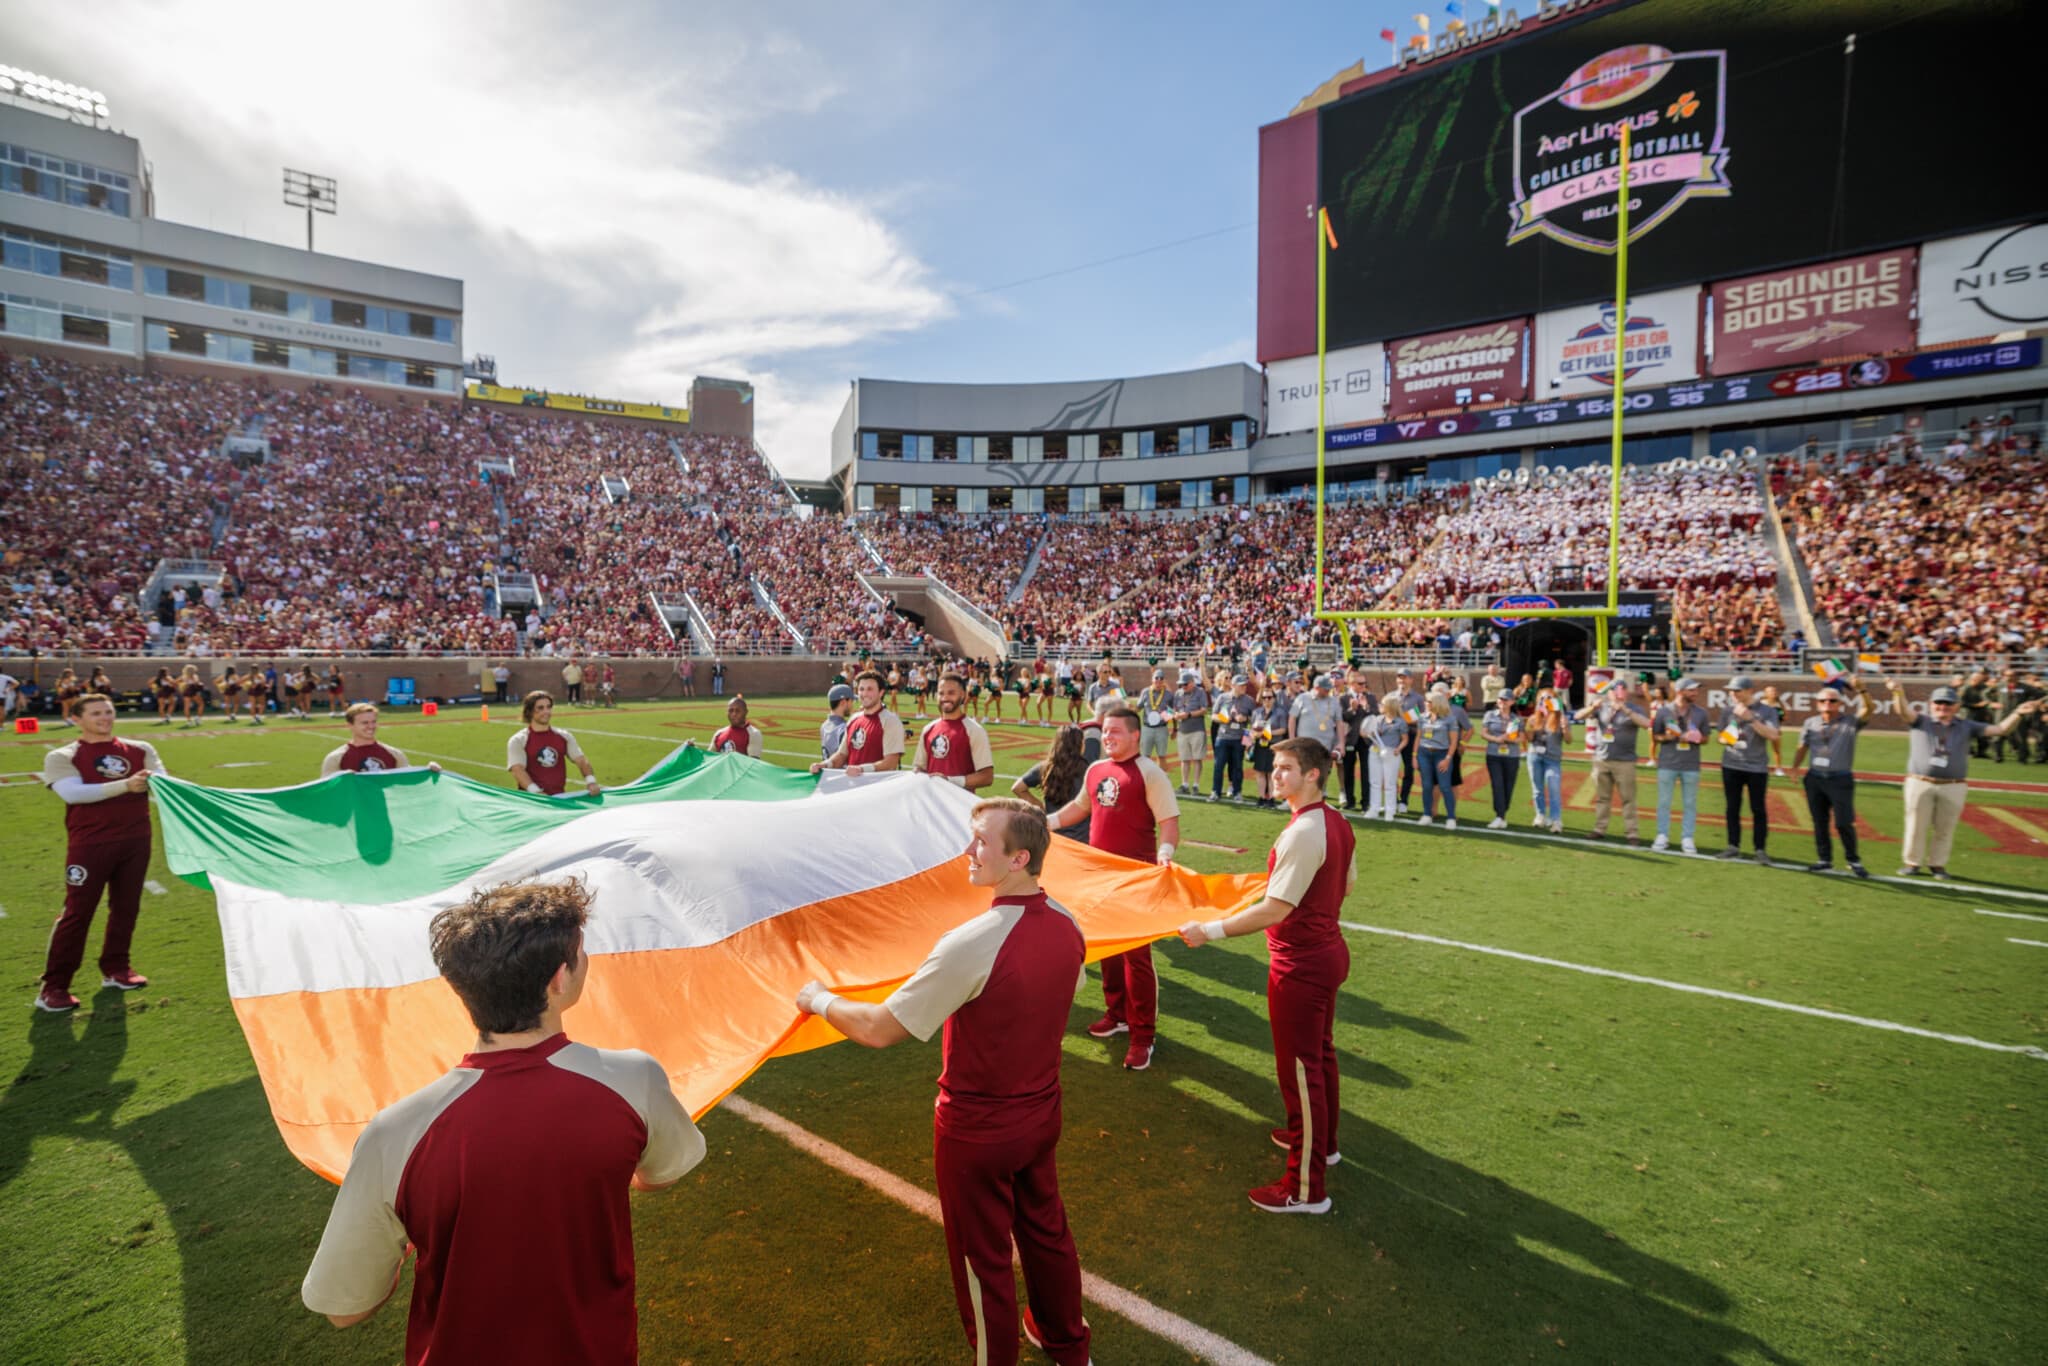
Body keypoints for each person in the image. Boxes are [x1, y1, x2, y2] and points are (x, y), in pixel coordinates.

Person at [302, 879, 704, 1362]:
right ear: (560, 979)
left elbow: (344, 1308)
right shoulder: (634, 1080)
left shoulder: (393, 1132)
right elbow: (659, 1174)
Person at [793, 801, 1092, 1366]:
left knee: (984, 1260)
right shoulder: (1069, 924)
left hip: (978, 1128)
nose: (969, 851)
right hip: (1041, 1111)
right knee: (1046, 1231)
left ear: (1019, 858)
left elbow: (881, 1030)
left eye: (982, 841)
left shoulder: (973, 939)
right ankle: (1068, 1344)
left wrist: (819, 999)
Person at [1177, 737, 1355, 1215]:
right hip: (1326, 952)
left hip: (1302, 964)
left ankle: (1306, 1189)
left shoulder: (1304, 831)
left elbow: (1274, 910)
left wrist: (1208, 931)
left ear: (1313, 775)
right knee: (1318, 1058)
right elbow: (1347, 882)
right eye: (1275, 767)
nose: (1275, 774)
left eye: (1285, 768)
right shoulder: (1335, 821)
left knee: (1300, 1072)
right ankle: (1324, 1145)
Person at [1045, 707, 1180, 1071]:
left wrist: (1165, 853)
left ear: (1136, 735)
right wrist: (1046, 823)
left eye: (1116, 731)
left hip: (1135, 879)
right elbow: (1079, 808)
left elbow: (1169, 823)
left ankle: (1143, 1035)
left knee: (1137, 957)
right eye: (1105, 731)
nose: (1108, 737)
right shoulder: (1095, 770)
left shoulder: (1150, 774)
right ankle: (1116, 1014)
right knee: (1105, 945)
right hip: (1099, 875)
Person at [34, 693, 169, 1012]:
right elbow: (73, 793)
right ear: (76, 718)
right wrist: (126, 785)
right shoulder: (62, 755)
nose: (105, 717)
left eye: (108, 712)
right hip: (90, 844)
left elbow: (165, 782)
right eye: (96, 713)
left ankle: (116, 969)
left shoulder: (141, 749)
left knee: (126, 907)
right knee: (77, 913)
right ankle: (53, 986)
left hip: (136, 839)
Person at [1890, 682, 2040, 879]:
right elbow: (1902, 711)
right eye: (1939, 703)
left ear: (1957, 706)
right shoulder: (1921, 721)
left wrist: (2018, 713)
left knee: (1946, 827)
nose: (1943, 707)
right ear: (1930, 704)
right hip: (1920, 782)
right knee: (1915, 825)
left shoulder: (1966, 726)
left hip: (1953, 785)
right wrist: (1897, 692)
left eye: (1948, 704)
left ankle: (1938, 865)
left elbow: (2000, 729)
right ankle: (1912, 863)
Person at [1794, 680, 1872, 877]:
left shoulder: (1850, 722)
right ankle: (1824, 859)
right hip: (1815, 778)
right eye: (1823, 700)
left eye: (1832, 700)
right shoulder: (1810, 723)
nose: (1827, 703)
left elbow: (1869, 709)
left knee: (1843, 822)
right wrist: (1795, 767)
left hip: (1840, 779)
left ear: (1840, 704)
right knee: (1819, 821)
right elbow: (1802, 746)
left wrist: (1862, 691)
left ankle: (1853, 860)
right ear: (1817, 704)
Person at [1715, 675, 1781, 865]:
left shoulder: (1767, 711)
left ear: (1749, 691)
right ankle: (1732, 846)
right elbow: (1720, 736)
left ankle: (1760, 849)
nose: (1733, 694)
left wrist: (1750, 719)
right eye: (1731, 691)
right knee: (1732, 807)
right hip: (1731, 764)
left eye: (1737, 690)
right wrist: (1726, 738)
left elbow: (1773, 735)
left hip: (1756, 767)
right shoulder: (1728, 710)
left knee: (1758, 809)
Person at [1579, 678, 1652, 845]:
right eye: (1612, 690)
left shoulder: (1634, 708)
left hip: (1625, 761)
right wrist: (1593, 707)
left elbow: (1647, 724)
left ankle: (1632, 833)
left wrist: (1625, 710)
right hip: (1601, 759)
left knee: (1628, 798)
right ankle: (1599, 829)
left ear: (1626, 691)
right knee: (1602, 797)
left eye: (1620, 689)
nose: (1616, 693)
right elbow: (1578, 715)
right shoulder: (1602, 706)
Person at [1651, 678, 1711, 854]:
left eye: (1696, 690)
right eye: (1691, 690)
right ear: (1680, 691)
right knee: (1663, 802)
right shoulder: (1663, 711)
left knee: (1690, 803)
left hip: (1691, 764)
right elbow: (1655, 736)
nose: (1695, 693)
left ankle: (1687, 837)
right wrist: (1668, 737)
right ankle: (1662, 835)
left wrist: (1699, 737)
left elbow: (1706, 738)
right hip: (1667, 763)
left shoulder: (1701, 713)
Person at [812, 670, 906, 776]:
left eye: (870, 689)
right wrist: (824, 765)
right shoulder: (853, 719)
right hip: (854, 788)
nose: (864, 693)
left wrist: (861, 769)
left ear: (881, 692)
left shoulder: (890, 721)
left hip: (878, 789)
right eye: (861, 689)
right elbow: (842, 755)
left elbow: (890, 764)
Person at [507, 691, 600, 797]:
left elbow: (581, 760)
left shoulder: (564, 736)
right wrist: (536, 792)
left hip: (558, 799)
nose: (546, 711)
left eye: (548, 707)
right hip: (531, 801)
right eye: (540, 708)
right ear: (529, 711)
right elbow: (517, 770)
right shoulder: (518, 740)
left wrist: (591, 781)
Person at [915, 673, 996, 790]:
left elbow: (987, 777)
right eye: (941, 693)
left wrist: (949, 781)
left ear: (963, 695)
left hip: (960, 806)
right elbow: (919, 768)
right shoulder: (928, 729)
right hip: (931, 804)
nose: (945, 698)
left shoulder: (974, 730)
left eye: (951, 693)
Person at [1014, 725, 1093, 843]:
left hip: (1053, 834)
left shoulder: (1046, 767)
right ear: (1080, 744)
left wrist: (1039, 806)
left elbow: (1018, 787)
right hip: (1081, 838)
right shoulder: (1088, 770)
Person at [321, 703, 440, 775]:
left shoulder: (394, 754)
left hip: (387, 813)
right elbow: (324, 791)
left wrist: (428, 770)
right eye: (365, 723)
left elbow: (408, 778)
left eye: (373, 722)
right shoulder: (336, 758)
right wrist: (340, 779)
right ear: (350, 725)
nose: (371, 726)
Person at [1290, 675, 1343, 796]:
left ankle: (1317, 798)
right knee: (1302, 771)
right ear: (1317, 688)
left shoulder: (1333, 701)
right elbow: (1292, 718)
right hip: (1305, 745)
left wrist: (1341, 743)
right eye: (1326, 689)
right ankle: (1295, 797)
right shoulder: (1302, 698)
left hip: (1325, 745)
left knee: (1321, 772)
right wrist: (1292, 739)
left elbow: (1339, 723)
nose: (1328, 691)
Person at [1414, 694, 1461, 829]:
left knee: (1445, 786)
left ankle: (1451, 817)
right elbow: (1418, 737)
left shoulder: (1450, 719)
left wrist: (1447, 759)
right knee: (1427, 785)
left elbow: (1453, 742)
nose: (1426, 703)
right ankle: (1427, 814)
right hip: (1424, 753)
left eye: (1428, 701)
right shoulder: (1422, 717)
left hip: (1442, 753)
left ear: (1437, 703)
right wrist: (1414, 755)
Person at [1527, 688, 1567, 834]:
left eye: (1549, 697)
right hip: (1535, 756)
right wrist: (1529, 728)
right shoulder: (1535, 717)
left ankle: (1556, 820)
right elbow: (1530, 739)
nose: (1545, 700)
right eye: (1542, 698)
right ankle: (1540, 815)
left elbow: (1568, 740)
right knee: (1537, 789)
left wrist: (1565, 728)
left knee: (1554, 788)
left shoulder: (1560, 717)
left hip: (1553, 758)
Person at [1480, 692, 1522, 830]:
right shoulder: (1490, 715)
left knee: (1508, 787)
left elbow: (1521, 738)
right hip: (1493, 755)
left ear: (1511, 702)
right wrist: (1496, 740)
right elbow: (1483, 733)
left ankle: (1502, 814)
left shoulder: (1516, 719)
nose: (1502, 701)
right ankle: (1499, 816)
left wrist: (1509, 740)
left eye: (1505, 699)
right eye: (1500, 699)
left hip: (1512, 756)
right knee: (1497, 784)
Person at [1212, 675, 1255, 802]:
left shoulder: (1249, 700)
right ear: (1233, 685)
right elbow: (1213, 716)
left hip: (1239, 738)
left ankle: (1237, 792)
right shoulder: (1222, 697)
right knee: (1218, 766)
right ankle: (1216, 791)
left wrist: (1245, 719)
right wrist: (1223, 718)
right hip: (1223, 736)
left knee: (1237, 767)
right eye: (1241, 685)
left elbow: (1254, 719)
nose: (1244, 687)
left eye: (1245, 685)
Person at [1365, 694, 1407, 821]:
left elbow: (1405, 739)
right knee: (1375, 782)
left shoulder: (1400, 722)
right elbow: (1370, 733)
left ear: (1389, 706)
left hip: (1391, 753)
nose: (1380, 706)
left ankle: (1390, 811)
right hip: (1375, 751)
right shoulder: (1378, 719)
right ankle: (1374, 809)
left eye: (1382, 704)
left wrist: (1398, 749)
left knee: (1390, 783)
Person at [1169, 668, 1211, 794]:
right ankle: (1185, 784)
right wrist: (1176, 717)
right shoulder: (1178, 693)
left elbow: (1204, 709)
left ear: (1192, 682)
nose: (1183, 686)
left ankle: (1196, 785)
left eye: (1185, 684)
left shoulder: (1200, 692)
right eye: (1181, 684)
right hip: (1182, 730)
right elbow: (1174, 709)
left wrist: (1188, 714)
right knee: (1184, 759)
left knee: (1197, 758)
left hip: (1197, 729)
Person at [1390, 669, 1425, 813]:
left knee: (1408, 770)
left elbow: (1423, 715)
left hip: (1410, 736)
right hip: (1392, 737)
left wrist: (1404, 718)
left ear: (1411, 680)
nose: (1401, 681)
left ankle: (1404, 800)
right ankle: (1393, 799)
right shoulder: (1390, 696)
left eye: (1404, 678)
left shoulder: (1417, 698)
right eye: (1399, 678)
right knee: (1391, 771)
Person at [1249, 687, 1281, 808]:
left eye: (1269, 697)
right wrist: (1254, 734)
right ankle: (1261, 797)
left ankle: (1271, 798)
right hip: (1259, 745)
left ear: (1274, 698)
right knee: (1260, 772)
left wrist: (1268, 733)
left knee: (1271, 773)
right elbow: (1252, 727)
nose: (1267, 700)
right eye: (1264, 697)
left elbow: (1283, 729)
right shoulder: (1256, 712)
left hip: (1273, 745)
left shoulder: (1280, 712)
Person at [1136, 668, 1174, 769]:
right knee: (1145, 756)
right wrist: (1130, 709)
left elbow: (1172, 712)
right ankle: (1144, 779)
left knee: (1161, 756)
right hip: (1147, 728)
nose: (1159, 680)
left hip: (1161, 728)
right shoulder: (1145, 692)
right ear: (1152, 679)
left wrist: (1174, 728)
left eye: (1161, 678)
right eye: (1156, 678)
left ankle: (1162, 779)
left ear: (1164, 680)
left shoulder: (1169, 694)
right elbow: (1138, 708)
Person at [819, 683, 856, 760]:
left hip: (828, 770)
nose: (852, 705)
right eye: (851, 701)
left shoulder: (824, 726)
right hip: (841, 771)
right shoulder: (844, 728)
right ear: (843, 702)